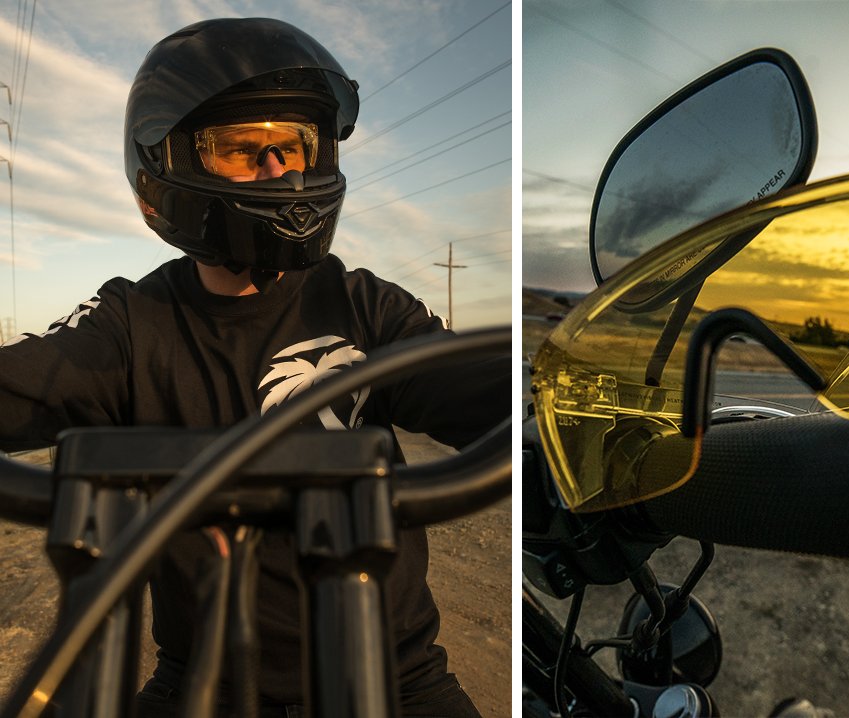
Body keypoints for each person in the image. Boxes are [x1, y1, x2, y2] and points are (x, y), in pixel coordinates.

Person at [0, 17, 508, 718]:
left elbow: (488, 386)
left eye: (294, 145)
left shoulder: (362, 304)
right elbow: (17, 382)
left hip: (397, 678)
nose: (284, 171)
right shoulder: (129, 321)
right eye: (244, 148)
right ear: (168, 164)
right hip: (200, 686)